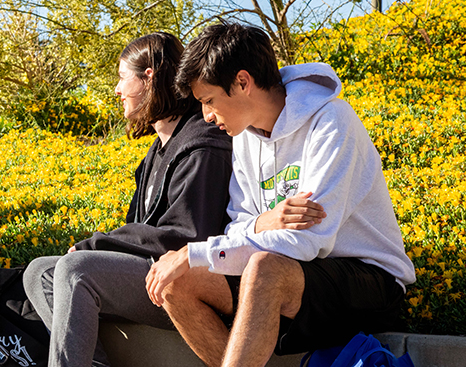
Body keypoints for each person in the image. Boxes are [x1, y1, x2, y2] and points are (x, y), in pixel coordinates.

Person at [145, 22, 416, 367]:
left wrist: (196, 252)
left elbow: (308, 241)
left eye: (209, 100)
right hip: (293, 279)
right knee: (177, 284)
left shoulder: (332, 122)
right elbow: (238, 228)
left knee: (263, 268)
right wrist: (264, 222)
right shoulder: (243, 138)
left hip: (368, 282)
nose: (207, 116)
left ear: (243, 82)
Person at [21, 32, 233, 367]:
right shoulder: (157, 151)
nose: (118, 90)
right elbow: (140, 228)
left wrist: (97, 245)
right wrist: (102, 246)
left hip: (187, 283)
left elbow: (187, 236)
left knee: (77, 270)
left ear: (149, 77)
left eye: (122, 79)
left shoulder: (203, 145)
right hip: (151, 273)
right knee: (38, 272)